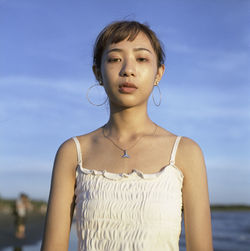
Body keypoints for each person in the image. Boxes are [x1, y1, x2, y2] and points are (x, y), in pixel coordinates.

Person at [41, 20, 213, 251]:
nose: (128, 70)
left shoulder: (185, 152)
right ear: (98, 73)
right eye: (114, 59)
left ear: (158, 73)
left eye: (141, 59)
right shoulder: (73, 152)